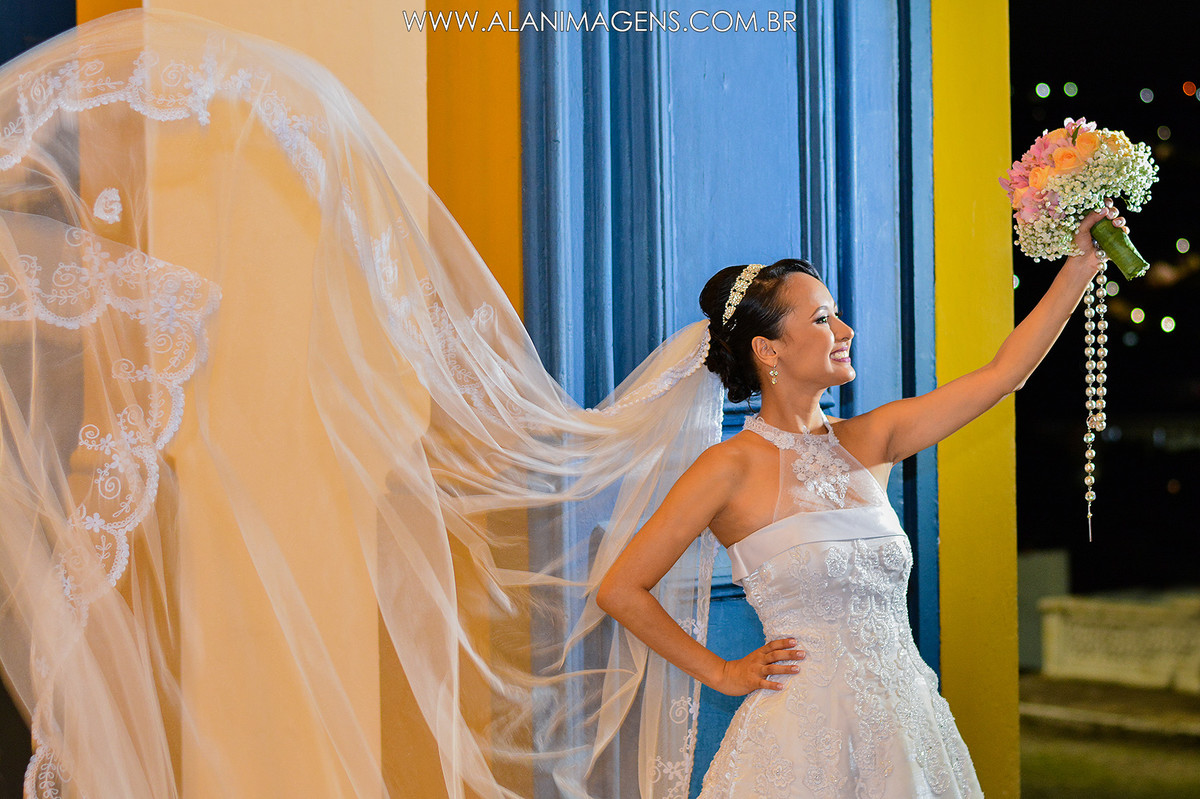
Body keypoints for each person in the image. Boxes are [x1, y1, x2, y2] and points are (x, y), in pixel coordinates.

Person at [596, 206, 1127, 796]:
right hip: (800, 743)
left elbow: (1005, 374)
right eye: (824, 319)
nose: (846, 332)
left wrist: (1081, 265)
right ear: (768, 350)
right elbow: (619, 589)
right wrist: (722, 672)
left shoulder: (870, 440)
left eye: (839, 316)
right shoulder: (728, 466)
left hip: (907, 724)